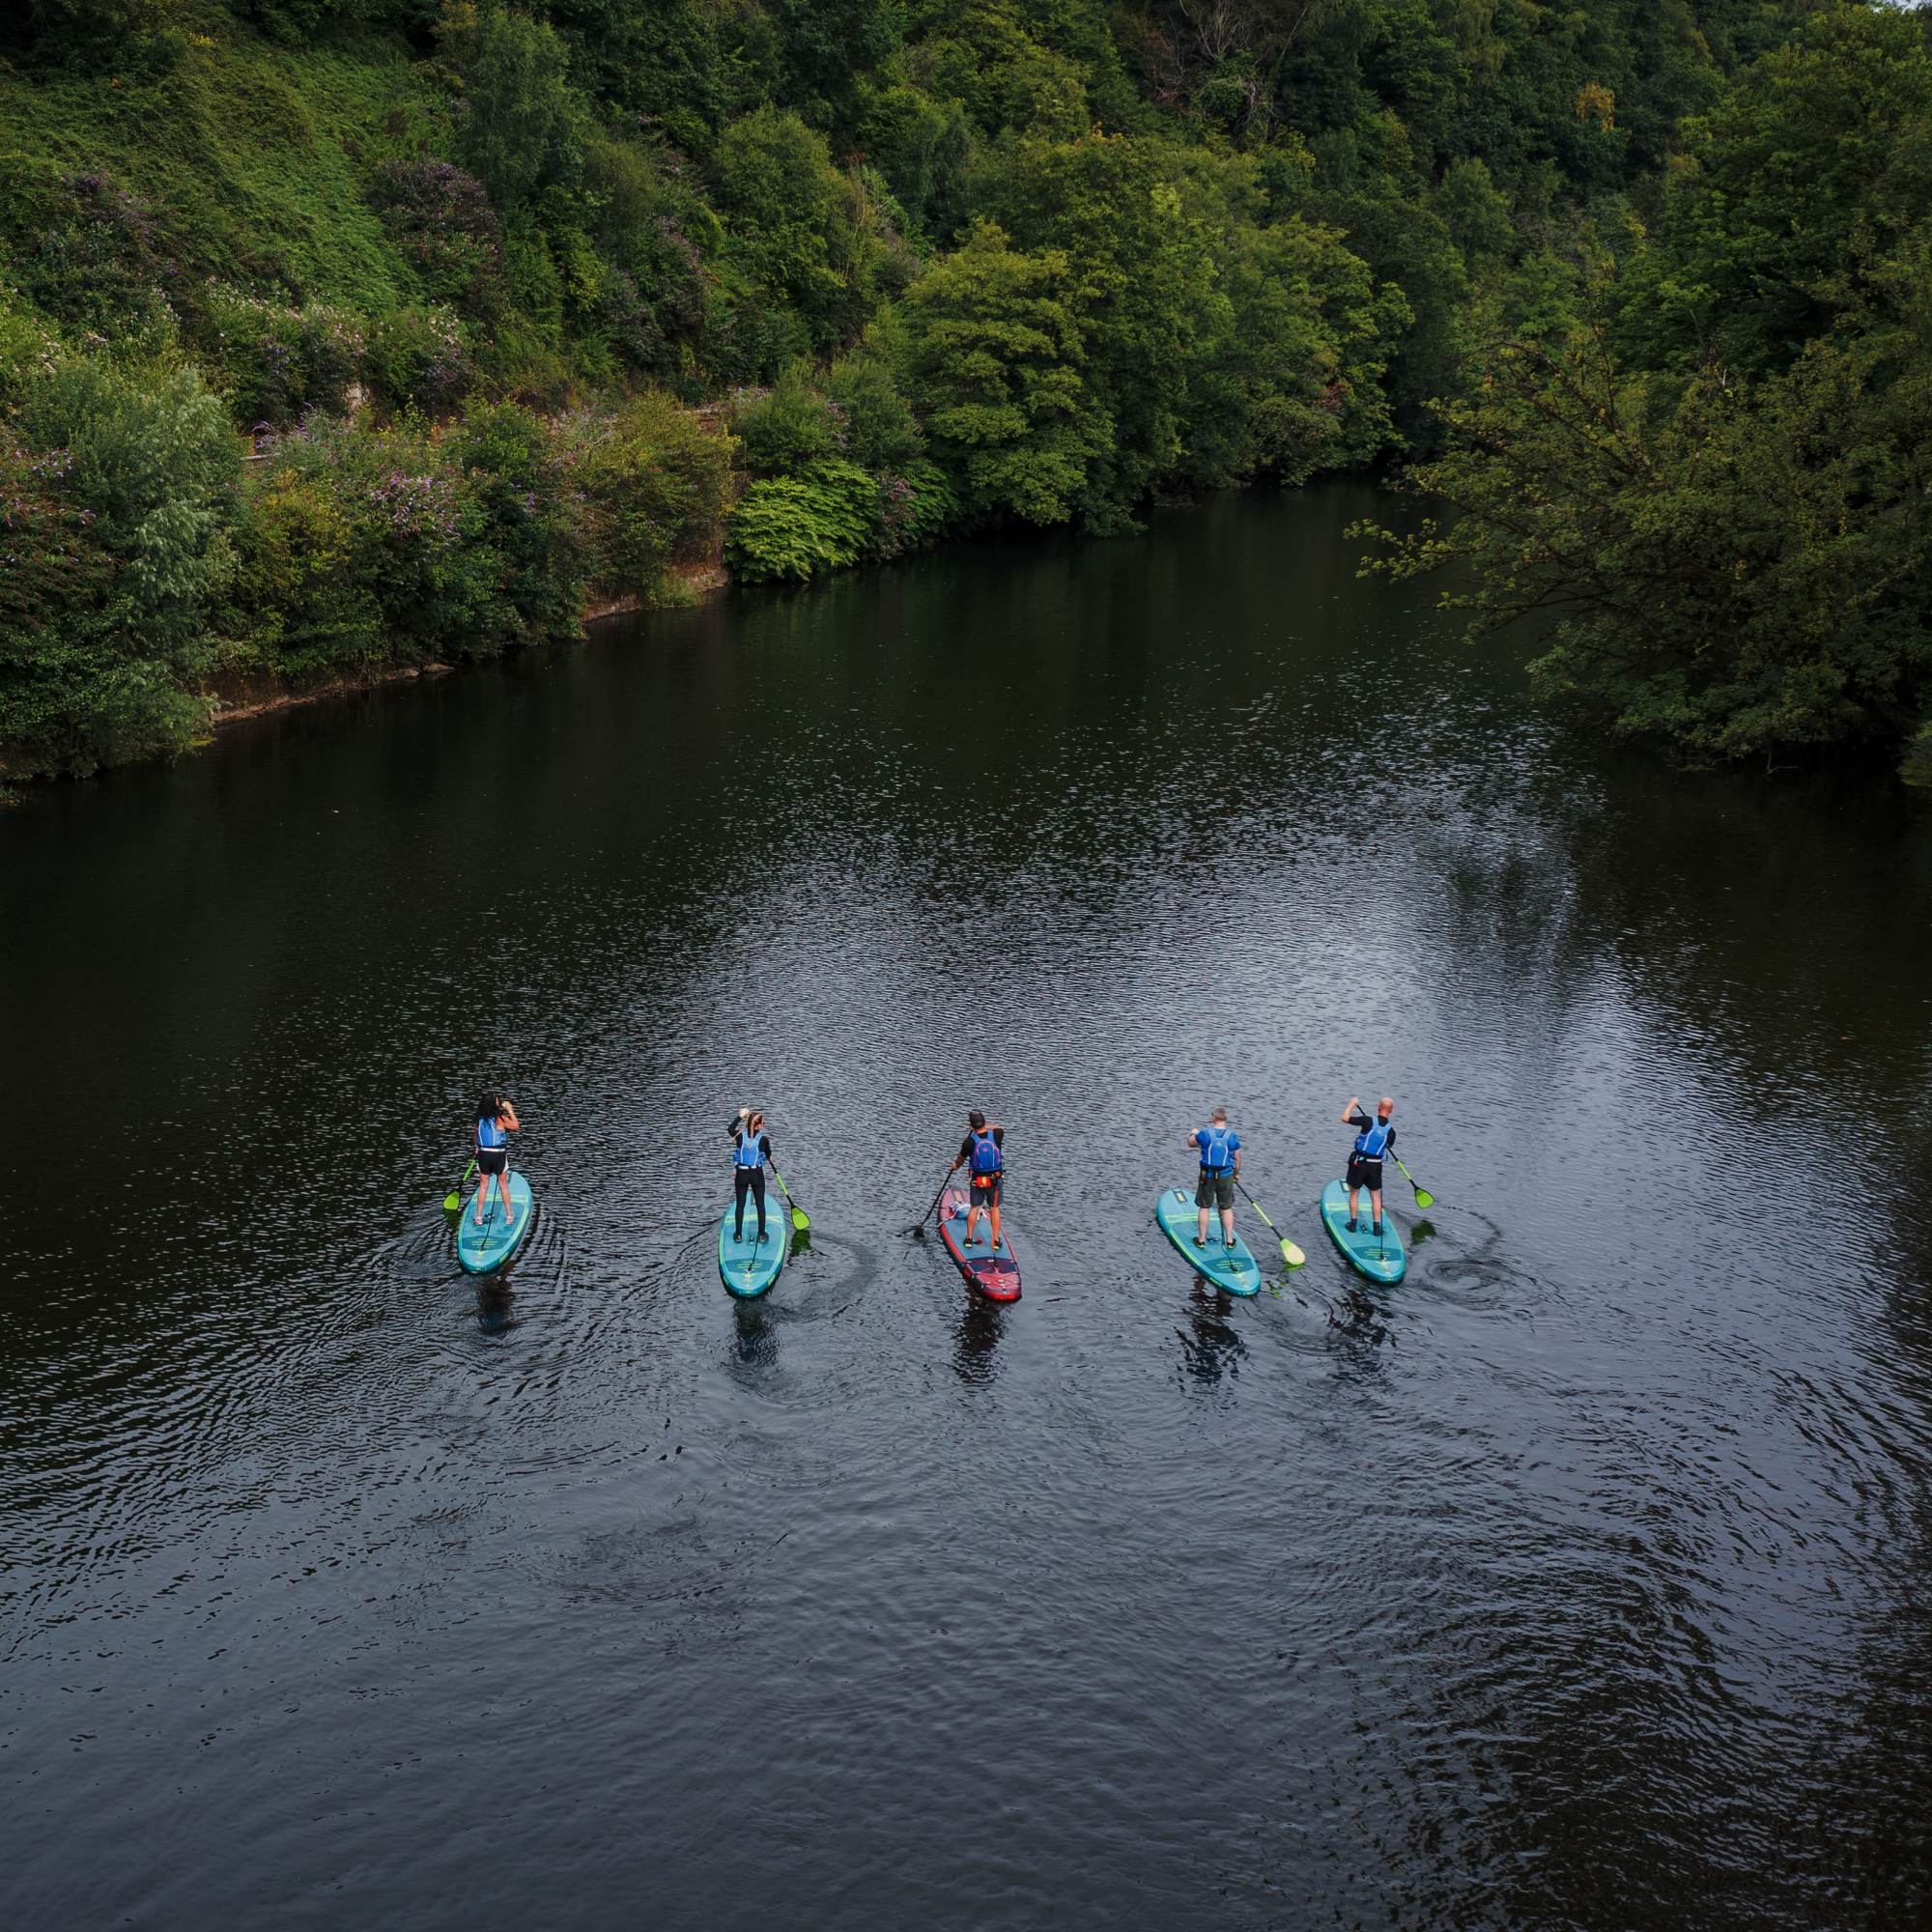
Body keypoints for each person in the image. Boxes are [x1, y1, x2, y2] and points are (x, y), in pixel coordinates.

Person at [948, 1110, 1005, 1250]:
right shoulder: (997, 1134)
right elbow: (1000, 1127)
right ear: (984, 1122)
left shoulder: (969, 1142)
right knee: (994, 1208)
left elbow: (960, 1160)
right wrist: (984, 1126)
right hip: (995, 1180)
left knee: (975, 1208)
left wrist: (955, 1166)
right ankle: (995, 1241)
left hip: (978, 1181)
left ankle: (968, 1239)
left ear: (971, 1126)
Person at [1186, 1105, 1241, 1247]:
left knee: (1204, 1207)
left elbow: (1191, 1143)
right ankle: (1230, 1241)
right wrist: (1236, 1175)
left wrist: (1193, 1133)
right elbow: (1237, 1159)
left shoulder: (1204, 1134)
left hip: (1207, 1176)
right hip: (1226, 1176)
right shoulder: (1233, 1136)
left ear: (1213, 1118)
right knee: (1226, 1208)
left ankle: (1201, 1240)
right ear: (1225, 1119)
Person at [1341, 1094, 1396, 1235]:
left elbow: (1345, 1118)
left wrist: (1352, 1104)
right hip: (1376, 1166)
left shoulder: (1367, 1121)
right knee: (1376, 1196)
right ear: (1391, 1111)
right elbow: (1388, 1145)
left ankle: (1353, 1225)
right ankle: (1377, 1228)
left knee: (1354, 1193)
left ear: (1378, 1108)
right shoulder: (1391, 1132)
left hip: (1359, 1163)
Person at [473, 1093, 521, 1230]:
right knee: (503, 1185)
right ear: (494, 1104)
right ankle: (509, 1216)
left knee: (483, 1186)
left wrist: (477, 1148)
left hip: (484, 1154)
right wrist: (510, 1109)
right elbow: (516, 1126)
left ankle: (478, 1217)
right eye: (497, 1101)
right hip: (498, 1155)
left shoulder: (478, 1120)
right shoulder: (500, 1118)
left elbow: (476, 1136)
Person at [729, 1107, 774, 1245]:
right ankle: (761, 1235)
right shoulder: (764, 1140)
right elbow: (768, 1155)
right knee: (760, 1204)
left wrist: (740, 1116)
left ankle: (738, 1235)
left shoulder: (739, 1136)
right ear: (758, 1125)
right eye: (763, 1123)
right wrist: (769, 1156)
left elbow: (730, 1129)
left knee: (740, 1205)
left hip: (741, 1174)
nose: (764, 1125)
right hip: (756, 1175)